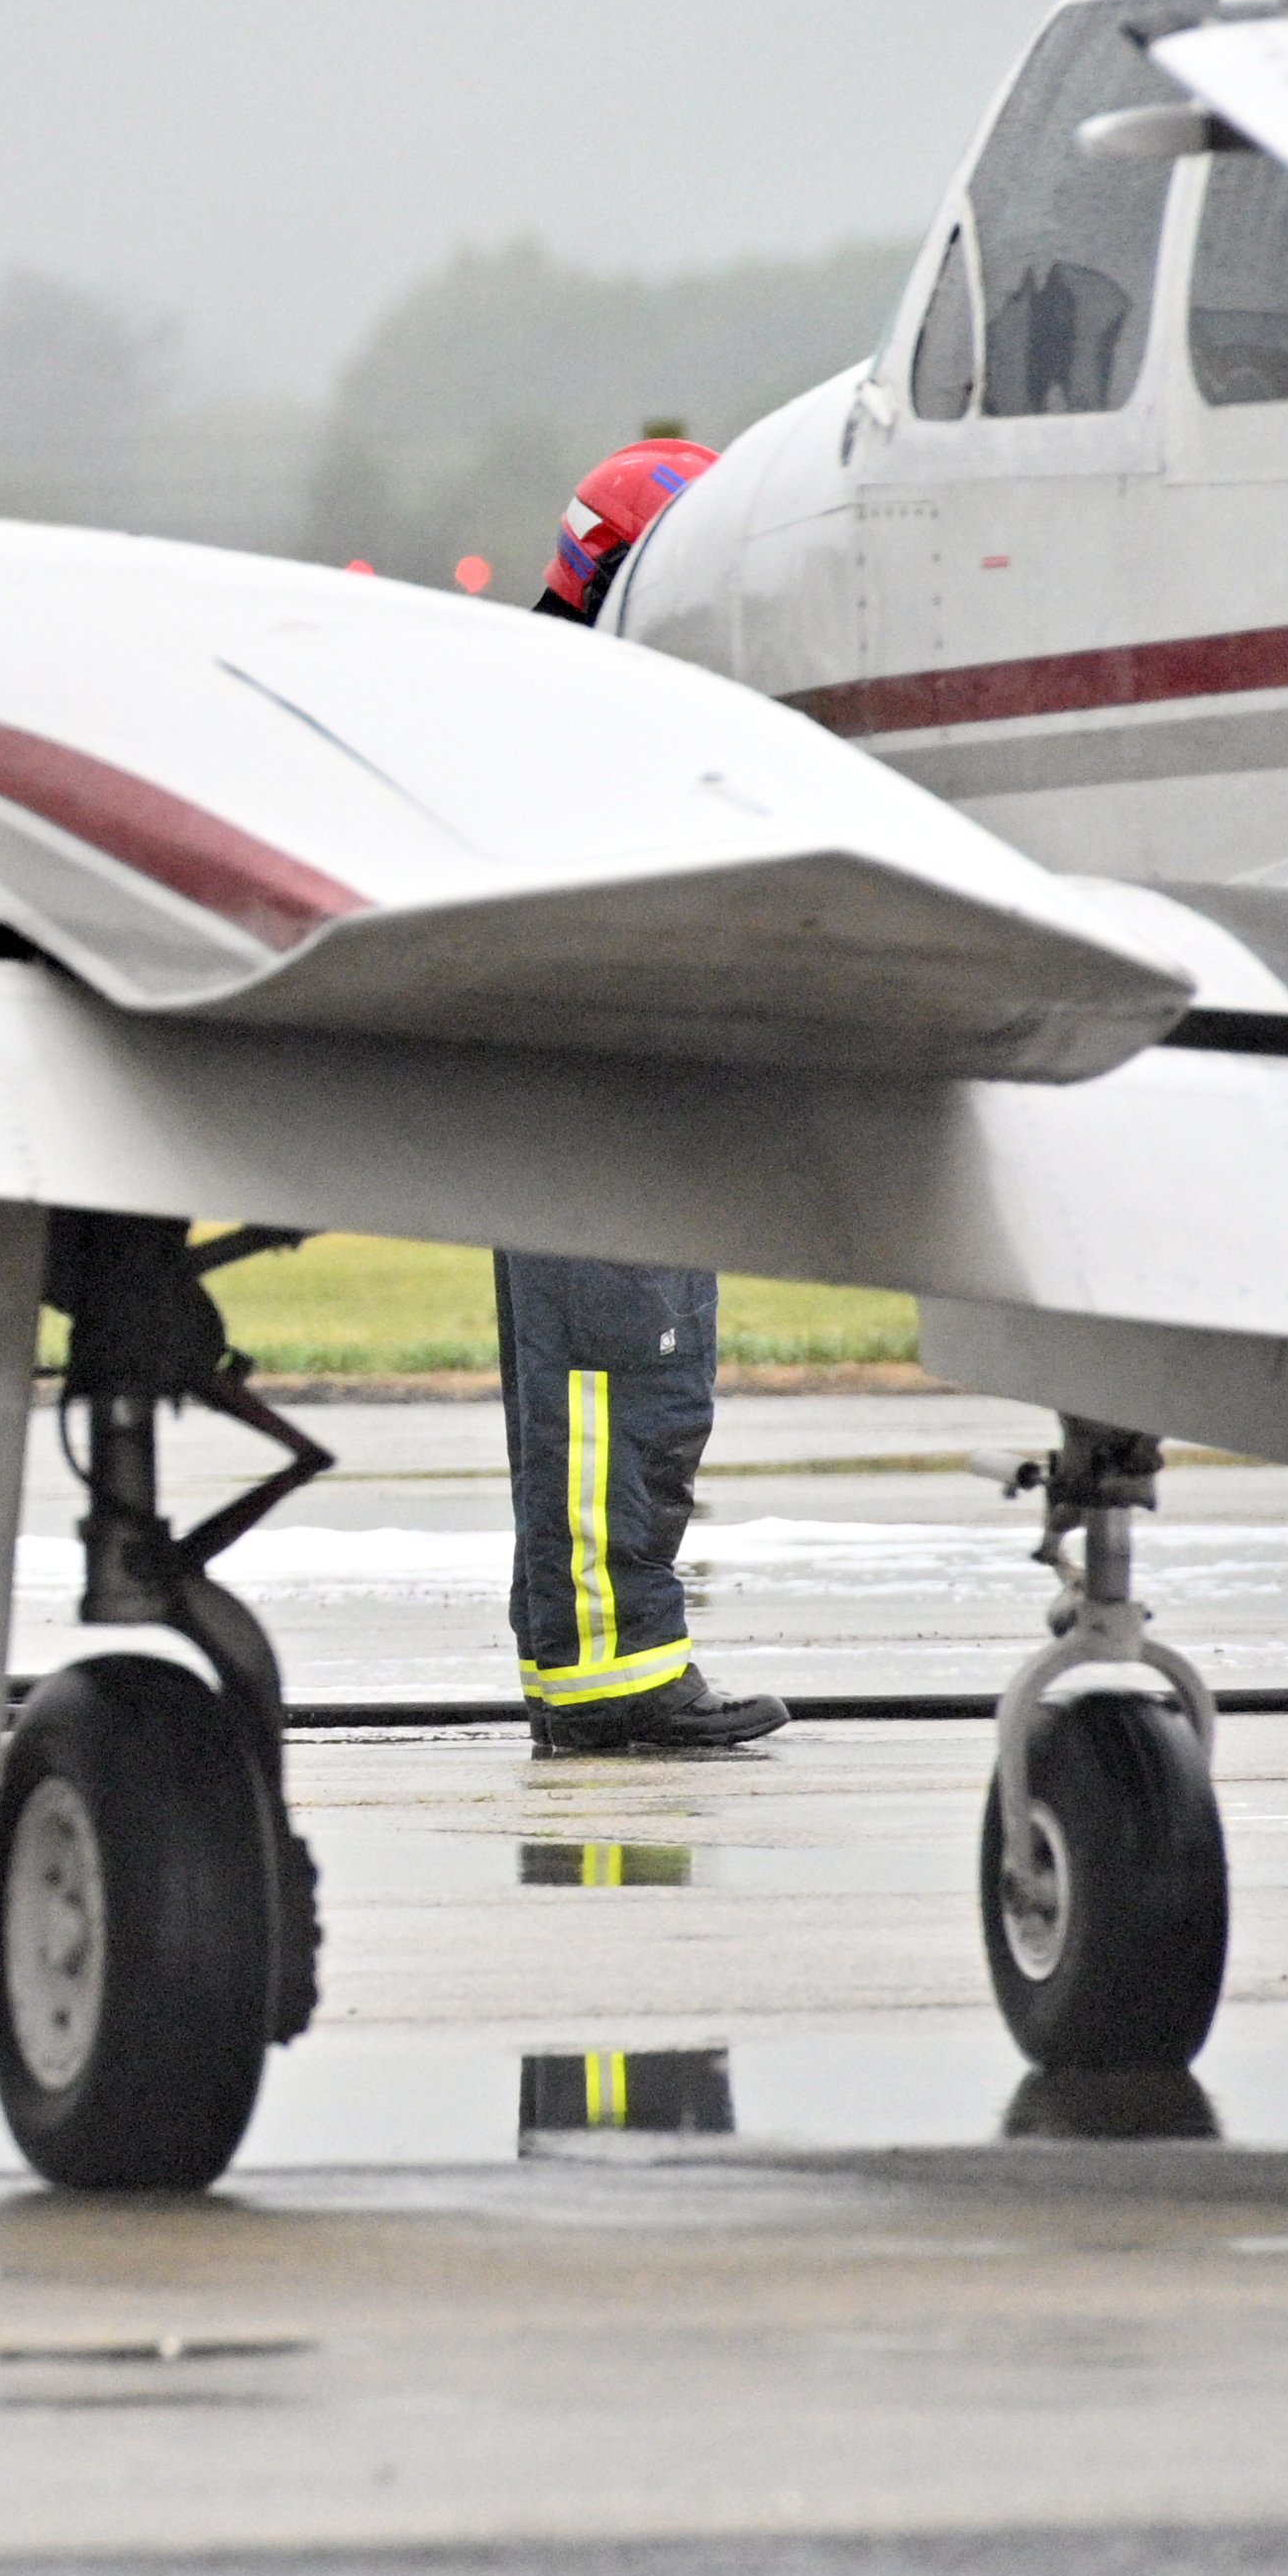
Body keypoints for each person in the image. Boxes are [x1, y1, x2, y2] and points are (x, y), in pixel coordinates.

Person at [497, 433, 782, 1762]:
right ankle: (613, 1678)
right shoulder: (592, 716)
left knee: (618, 1397)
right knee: (621, 1396)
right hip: (604, 1111)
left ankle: (593, 1665)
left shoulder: (555, 698)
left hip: (611, 1104)